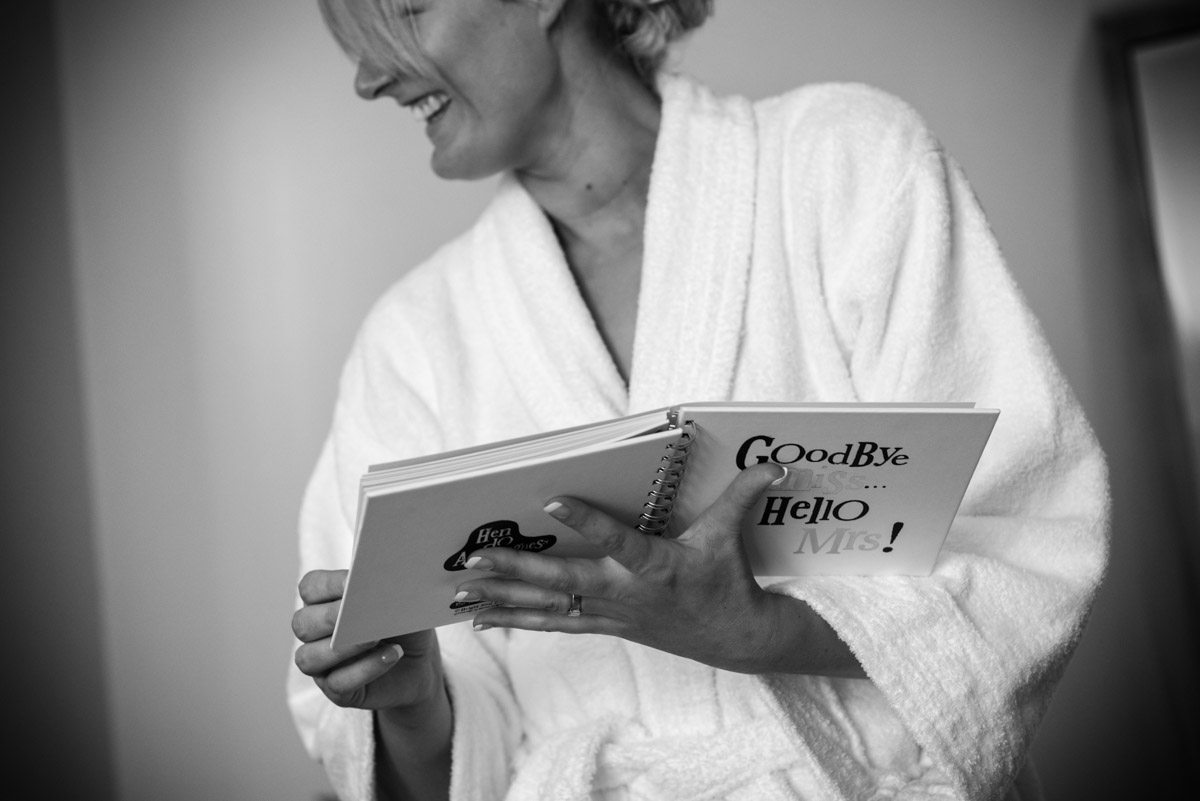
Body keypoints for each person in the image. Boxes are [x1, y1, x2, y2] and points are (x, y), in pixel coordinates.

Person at [287, 1, 1110, 799]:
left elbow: (1025, 537)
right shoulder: (413, 341)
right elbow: (445, 775)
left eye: (403, 13)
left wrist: (758, 633)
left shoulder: (845, 164)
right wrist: (416, 703)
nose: (366, 78)